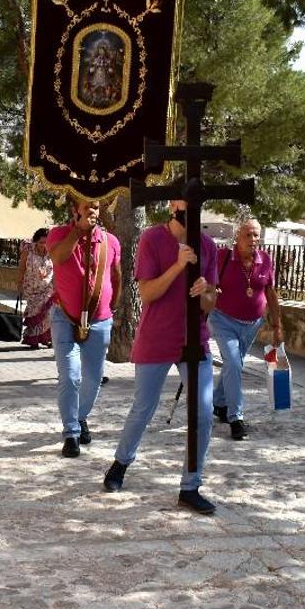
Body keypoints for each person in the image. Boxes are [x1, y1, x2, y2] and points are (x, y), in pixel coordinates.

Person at [102, 199, 220, 515]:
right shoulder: (152, 239)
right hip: (157, 336)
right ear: (173, 204)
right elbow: (148, 293)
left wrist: (206, 289)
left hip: (194, 340)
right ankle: (121, 463)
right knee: (144, 406)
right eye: (185, 200)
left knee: (204, 412)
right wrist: (179, 266)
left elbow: (210, 304)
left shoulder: (208, 245)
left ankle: (190, 486)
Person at [47, 198, 122, 458]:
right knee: (70, 376)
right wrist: (78, 232)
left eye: (96, 207)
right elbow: (58, 257)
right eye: (87, 206)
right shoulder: (59, 233)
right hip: (64, 317)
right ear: (74, 210)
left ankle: (80, 417)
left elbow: (116, 276)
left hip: (100, 319)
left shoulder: (110, 241)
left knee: (93, 378)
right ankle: (71, 433)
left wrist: (111, 308)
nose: (93, 211)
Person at [211, 218, 284, 441]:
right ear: (237, 237)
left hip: (252, 324)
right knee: (233, 363)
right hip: (223, 320)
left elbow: (270, 292)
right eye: (248, 235)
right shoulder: (222, 257)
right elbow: (207, 285)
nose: (253, 240)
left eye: (256, 235)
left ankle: (219, 402)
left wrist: (277, 325)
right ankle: (236, 418)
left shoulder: (265, 260)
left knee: (234, 365)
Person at [18, 228, 55, 349]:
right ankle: (33, 339)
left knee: (48, 312)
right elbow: (22, 268)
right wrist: (19, 283)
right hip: (31, 287)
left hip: (47, 287)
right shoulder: (28, 250)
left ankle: (46, 338)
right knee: (35, 313)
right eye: (41, 242)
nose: (44, 245)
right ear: (36, 242)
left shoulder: (52, 251)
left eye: (46, 243)